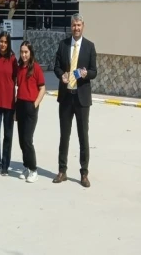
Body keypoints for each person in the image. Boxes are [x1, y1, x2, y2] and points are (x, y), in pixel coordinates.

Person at [53, 13, 97, 188]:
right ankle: (62, 171)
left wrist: (86, 74)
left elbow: (94, 71)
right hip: (66, 97)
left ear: (83, 26)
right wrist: (61, 74)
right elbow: (56, 66)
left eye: (79, 25)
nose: (76, 28)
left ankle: (84, 173)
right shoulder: (63, 45)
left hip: (82, 98)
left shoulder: (89, 47)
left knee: (83, 136)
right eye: (74, 25)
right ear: (71, 27)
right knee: (64, 136)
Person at [16, 41, 46, 184]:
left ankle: (34, 169)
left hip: (31, 106)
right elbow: (19, 88)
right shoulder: (19, 67)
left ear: (30, 53)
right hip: (20, 105)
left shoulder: (36, 68)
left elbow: (42, 88)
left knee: (28, 139)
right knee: (22, 140)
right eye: (22, 52)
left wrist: (35, 104)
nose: (24, 55)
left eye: (26, 52)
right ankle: (26, 166)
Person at [0, 32, 17, 176]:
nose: (3, 44)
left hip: (9, 104)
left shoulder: (13, 59)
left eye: (6, 42)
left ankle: (5, 166)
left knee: (7, 136)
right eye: (1, 41)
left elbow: (17, 80)